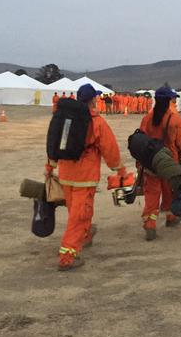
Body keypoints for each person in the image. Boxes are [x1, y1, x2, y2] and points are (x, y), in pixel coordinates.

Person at [46, 83, 127, 271]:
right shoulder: (96, 121)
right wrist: (119, 169)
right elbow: (109, 148)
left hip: (66, 174)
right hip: (85, 177)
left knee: (77, 211)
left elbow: (55, 142)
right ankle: (67, 256)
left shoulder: (66, 120)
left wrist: (50, 167)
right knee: (79, 215)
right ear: (93, 100)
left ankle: (85, 235)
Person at [139, 86, 181, 241]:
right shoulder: (175, 119)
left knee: (152, 194)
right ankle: (171, 217)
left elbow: (141, 141)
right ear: (169, 100)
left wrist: (140, 163)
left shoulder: (147, 118)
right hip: (170, 164)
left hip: (151, 163)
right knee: (170, 192)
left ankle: (150, 223)